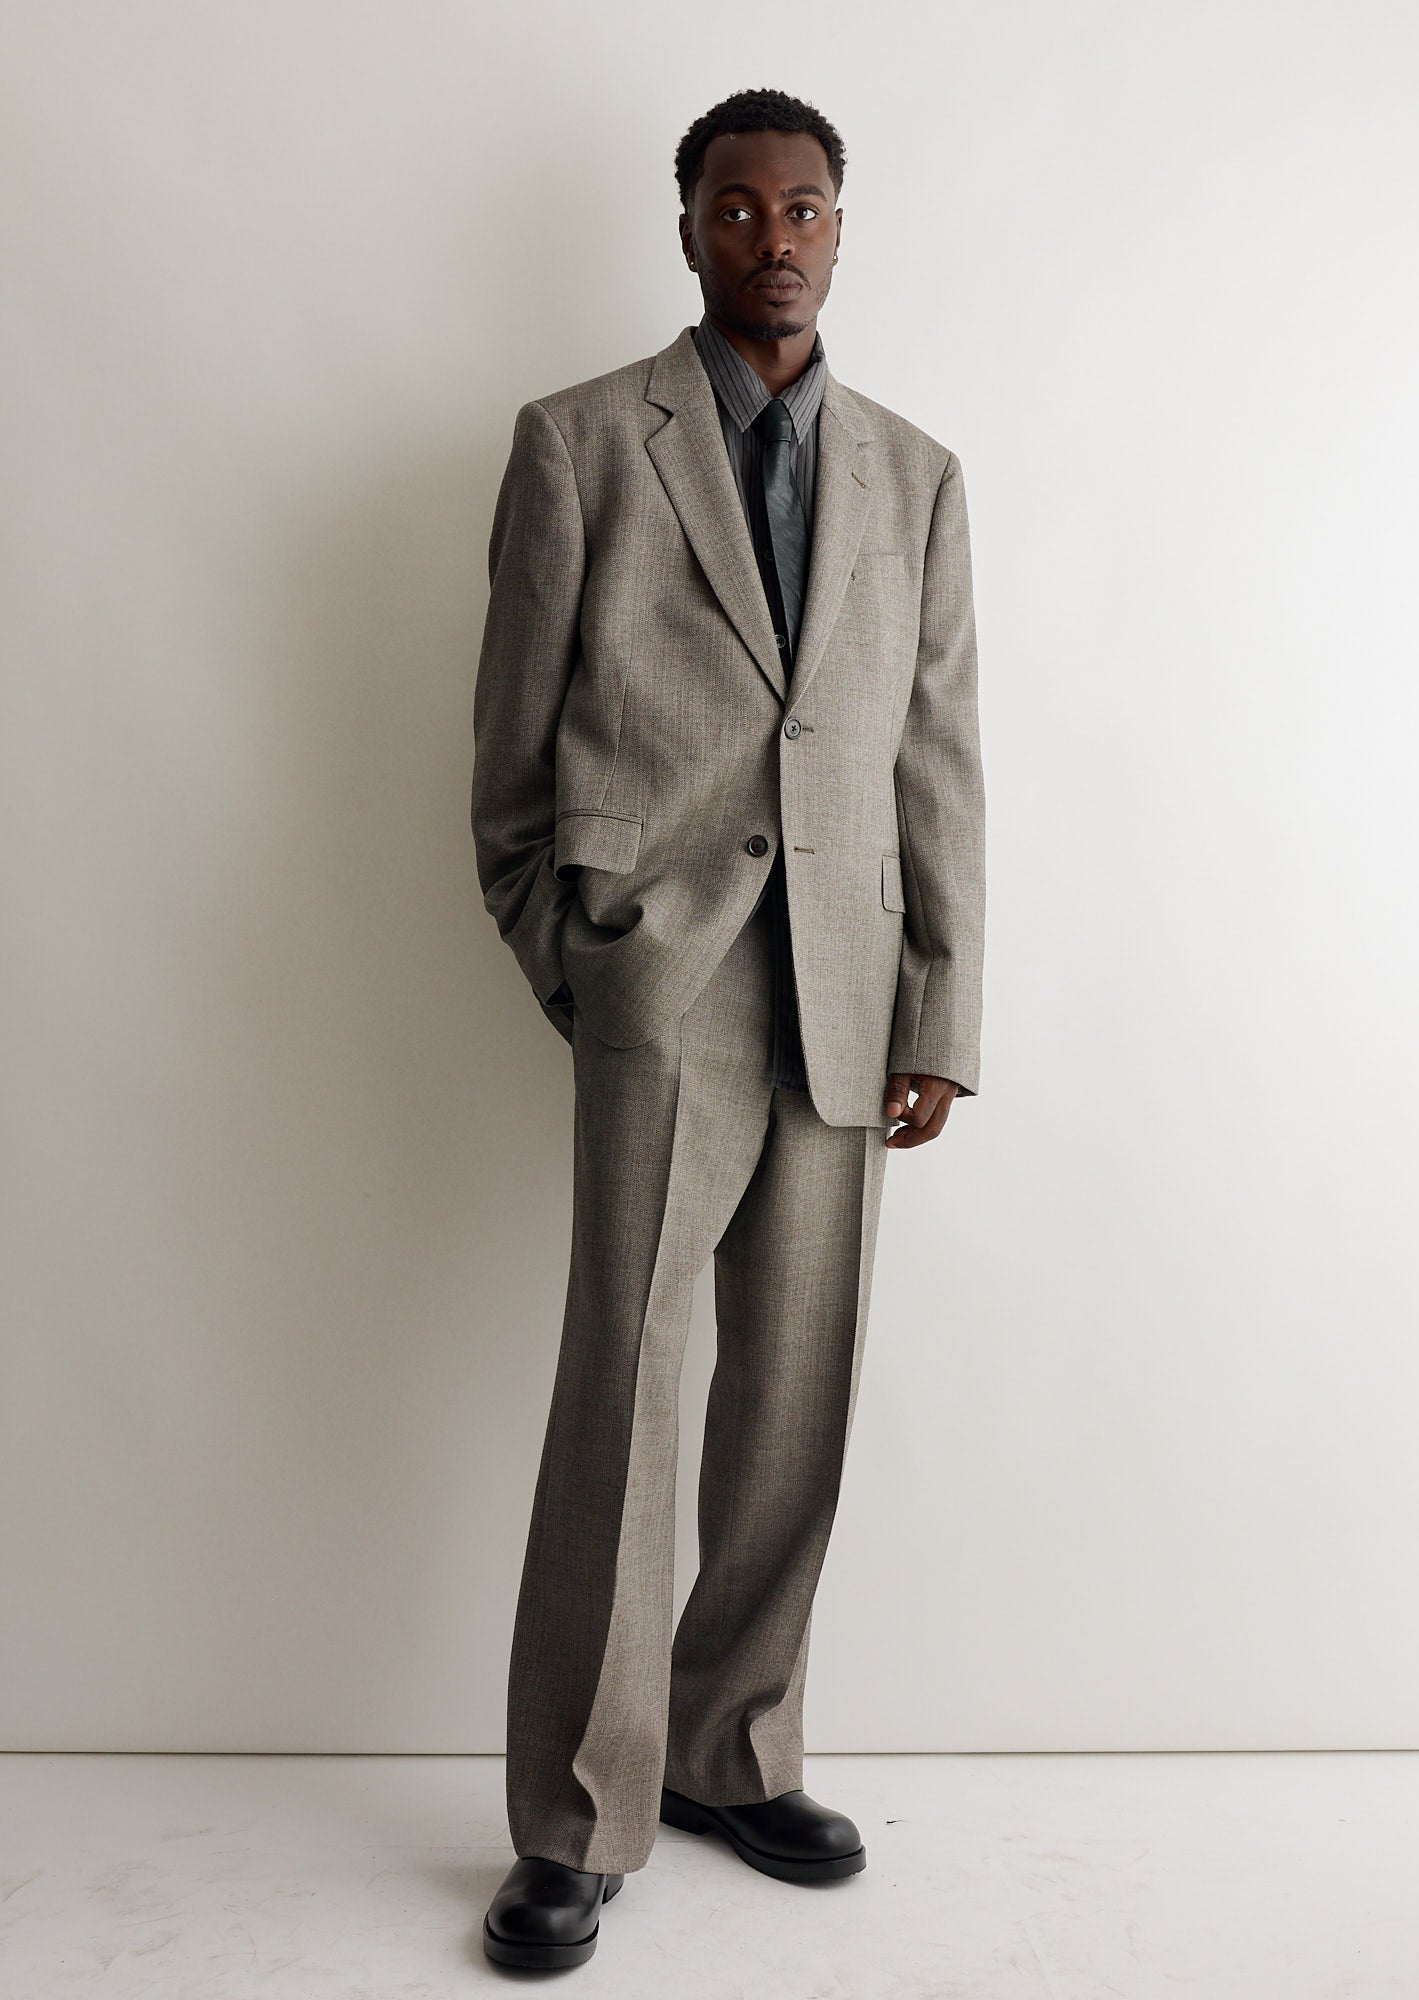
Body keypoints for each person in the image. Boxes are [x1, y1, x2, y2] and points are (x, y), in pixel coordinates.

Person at [470, 86, 985, 1971]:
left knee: (791, 1397)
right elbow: (510, 760)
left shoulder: (916, 476)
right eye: (740, 207)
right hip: (661, 986)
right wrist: (583, 963)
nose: (776, 237)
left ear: (842, 228)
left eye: (806, 207)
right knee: (622, 1393)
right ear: (687, 226)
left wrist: (940, 1008)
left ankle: (731, 1751)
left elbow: (939, 757)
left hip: (846, 991)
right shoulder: (582, 443)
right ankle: (575, 1816)